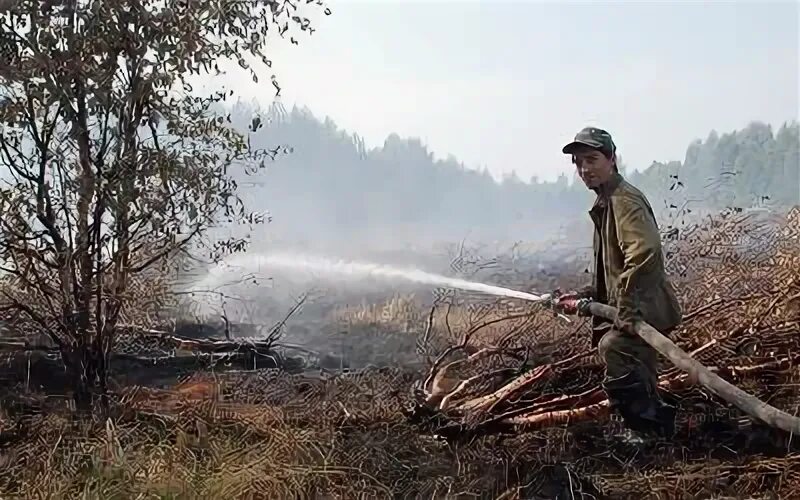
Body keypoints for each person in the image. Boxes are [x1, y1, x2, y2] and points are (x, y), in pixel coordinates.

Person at [555, 126, 683, 440]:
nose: (584, 169)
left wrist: (626, 308)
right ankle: (658, 428)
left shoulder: (624, 201)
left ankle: (647, 432)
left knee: (615, 347)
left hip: (644, 309)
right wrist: (586, 296)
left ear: (612, 159)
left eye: (591, 159)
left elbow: (644, 253)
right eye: (578, 163)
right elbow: (615, 268)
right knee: (638, 368)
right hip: (639, 306)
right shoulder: (607, 201)